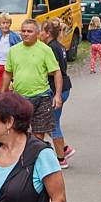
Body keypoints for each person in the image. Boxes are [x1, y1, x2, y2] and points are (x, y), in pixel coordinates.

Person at [1, 19, 63, 141]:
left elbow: (57, 72)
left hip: (41, 97)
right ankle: (23, 158)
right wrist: (3, 94)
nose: (25, 34)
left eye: (29, 31)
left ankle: (35, 158)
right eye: (23, 31)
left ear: (37, 33)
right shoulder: (14, 50)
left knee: (38, 136)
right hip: (20, 98)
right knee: (19, 133)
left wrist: (58, 95)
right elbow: (8, 73)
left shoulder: (45, 50)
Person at [40, 20, 75, 169]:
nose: (39, 33)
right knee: (48, 122)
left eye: (41, 31)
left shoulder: (51, 48)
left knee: (53, 124)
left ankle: (61, 158)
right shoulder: (59, 45)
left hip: (57, 89)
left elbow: (54, 70)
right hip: (64, 87)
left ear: (47, 33)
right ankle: (65, 148)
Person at [0, 13, 21, 93]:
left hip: (9, 68)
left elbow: (20, 52)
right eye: (3, 23)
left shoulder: (15, 37)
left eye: (7, 23)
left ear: (10, 24)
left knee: (7, 92)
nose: (5, 25)